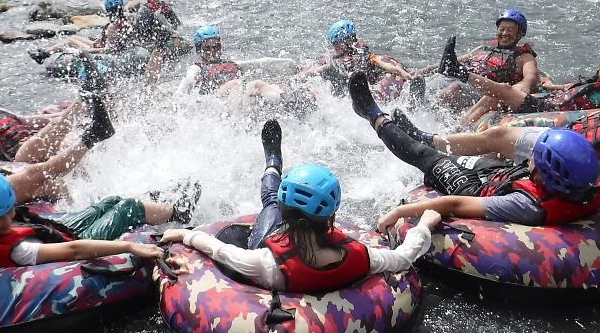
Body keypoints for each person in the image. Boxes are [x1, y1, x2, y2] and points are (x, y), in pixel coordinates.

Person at [370, 59, 600, 198]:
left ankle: (426, 141)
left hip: (576, 158)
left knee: (496, 137)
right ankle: (433, 143)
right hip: (574, 142)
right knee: (496, 142)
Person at [159, 119, 441, 293]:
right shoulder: (364, 257)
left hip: (271, 241)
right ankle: (273, 165)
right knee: (272, 205)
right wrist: (425, 224)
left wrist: (185, 234)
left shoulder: (264, 264)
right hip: (313, 239)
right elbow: (404, 257)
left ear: (288, 212)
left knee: (269, 203)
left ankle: (272, 163)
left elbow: (220, 250)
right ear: (332, 216)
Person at [347, 74, 600, 227]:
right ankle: (419, 133)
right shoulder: (588, 184)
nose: (530, 156)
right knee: (480, 154)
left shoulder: (527, 206)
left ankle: (372, 114)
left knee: (425, 156)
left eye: (535, 158)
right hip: (504, 177)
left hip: (475, 189)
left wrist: (400, 212)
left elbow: (456, 204)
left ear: (546, 176)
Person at [0, 165, 195, 267]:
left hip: (56, 228)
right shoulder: (20, 250)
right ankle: (178, 211)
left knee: (109, 201)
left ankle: (155, 199)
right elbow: (74, 251)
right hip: (68, 239)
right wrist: (131, 246)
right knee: (127, 207)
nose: (8, 219)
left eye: (9, 211)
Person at [0, 76, 113, 164]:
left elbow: (27, 121)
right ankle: (85, 97)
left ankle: (90, 102)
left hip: (32, 142)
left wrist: (56, 117)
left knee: (59, 133)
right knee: (32, 145)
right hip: (19, 160)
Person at [439, 44, 600, 120]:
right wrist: (548, 84)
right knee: (494, 97)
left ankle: (459, 72)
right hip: (547, 101)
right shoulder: (592, 84)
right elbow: (569, 91)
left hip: (547, 111)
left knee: (505, 90)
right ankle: (464, 122)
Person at [435, 9, 540, 123]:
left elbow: (531, 75)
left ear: (520, 34)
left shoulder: (524, 56)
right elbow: (451, 64)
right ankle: (422, 106)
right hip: (460, 78)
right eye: (502, 29)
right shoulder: (483, 48)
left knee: (454, 88)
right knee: (437, 81)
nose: (504, 33)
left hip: (484, 89)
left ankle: (428, 113)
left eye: (510, 30)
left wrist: (525, 86)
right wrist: (421, 71)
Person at [296, 19, 419, 100]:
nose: (336, 47)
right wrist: (304, 75)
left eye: (338, 43)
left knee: (396, 73)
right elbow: (322, 68)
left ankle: (416, 79)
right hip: (347, 94)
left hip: (368, 92)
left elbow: (382, 64)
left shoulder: (363, 54)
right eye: (335, 44)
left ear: (349, 40)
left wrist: (400, 72)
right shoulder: (334, 60)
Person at [175, 25, 292, 106]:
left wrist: (290, 66)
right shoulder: (197, 67)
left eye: (216, 47)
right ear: (199, 50)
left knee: (257, 84)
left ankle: (286, 100)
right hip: (217, 99)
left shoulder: (230, 64)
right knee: (235, 84)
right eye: (207, 48)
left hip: (238, 94)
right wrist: (177, 101)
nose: (212, 51)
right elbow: (188, 81)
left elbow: (261, 63)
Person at [29, 0, 139, 63]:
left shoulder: (112, 26)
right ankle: (45, 53)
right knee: (75, 37)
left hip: (104, 52)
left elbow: (109, 50)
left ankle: (44, 55)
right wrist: (98, 41)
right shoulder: (126, 20)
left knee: (70, 41)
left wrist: (90, 50)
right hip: (106, 46)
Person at [131, 0, 191, 84]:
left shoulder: (143, 10)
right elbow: (177, 25)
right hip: (168, 42)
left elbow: (139, 34)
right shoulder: (164, 6)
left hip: (154, 46)